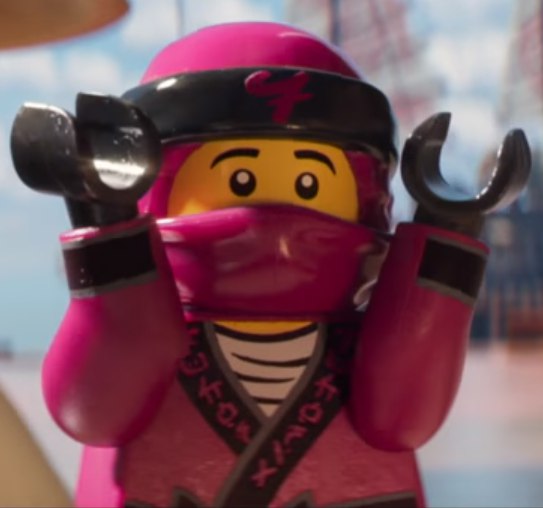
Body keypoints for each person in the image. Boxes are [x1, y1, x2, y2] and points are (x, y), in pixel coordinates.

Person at [10, 21, 530, 508]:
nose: (277, 219)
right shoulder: (150, 338)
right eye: (240, 180)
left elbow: (405, 412)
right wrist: (109, 239)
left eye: (309, 183)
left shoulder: (368, 349)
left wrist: (445, 234)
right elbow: (91, 408)